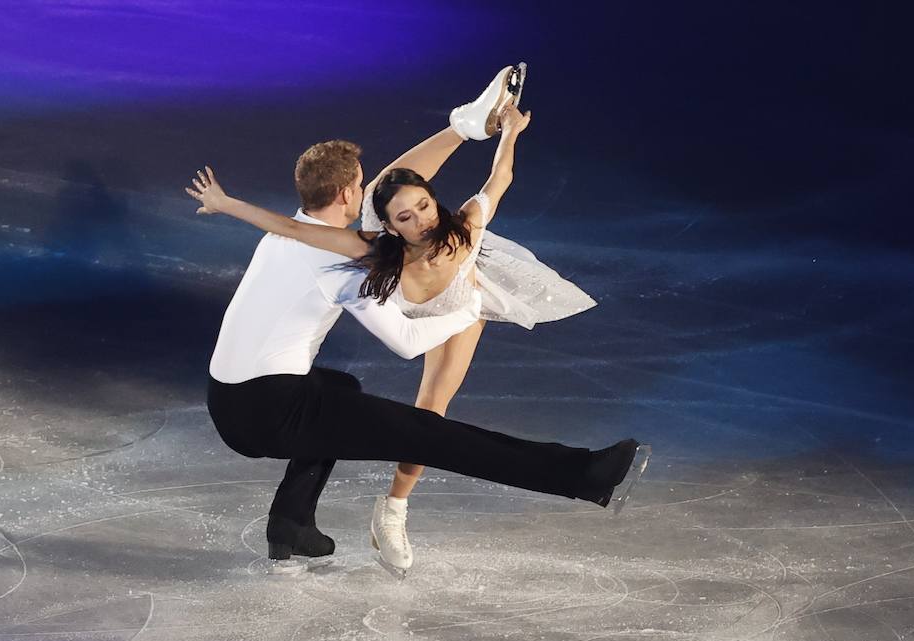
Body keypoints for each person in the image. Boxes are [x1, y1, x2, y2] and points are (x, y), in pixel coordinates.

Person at [187, 72, 649, 578]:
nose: (365, 189)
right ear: (346, 194)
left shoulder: (290, 235)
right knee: (430, 435)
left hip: (226, 399)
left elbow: (326, 216)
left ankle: (291, 527)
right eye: (361, 185)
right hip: (269, 414)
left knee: (341, 388)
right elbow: (406, 342)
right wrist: (469, 309)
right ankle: (586, 475)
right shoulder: (340, 265)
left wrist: (228, 204)